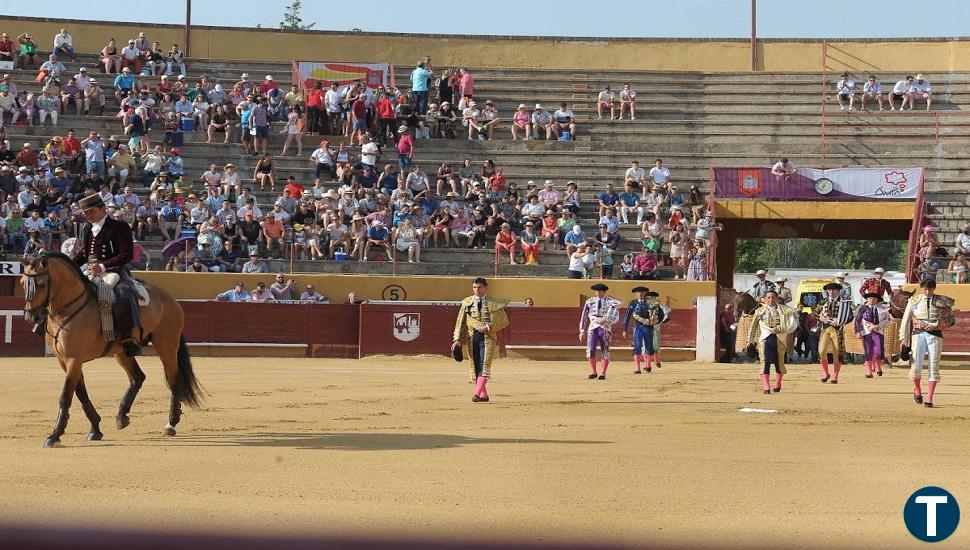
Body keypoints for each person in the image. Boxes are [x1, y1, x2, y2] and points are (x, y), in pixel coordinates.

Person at [70, 194, 142, 356]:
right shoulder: (87, 228)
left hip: (115, 271)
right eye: (85, 213)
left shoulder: (119, 227)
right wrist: (70, 265)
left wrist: (102, 266)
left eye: (91, 212)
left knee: (124, 295)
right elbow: (85, 252)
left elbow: (126, 255)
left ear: (103, 209)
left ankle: (129, 339)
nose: (88, 216)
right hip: (91, 270)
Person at [452, 277, 510, 403]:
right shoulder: (466, 302)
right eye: (474, 287)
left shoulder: (494, 302)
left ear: (485, 288)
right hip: (472, 338)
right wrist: (456, 339)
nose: (476, 290)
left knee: (485, 366)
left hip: (488, 338)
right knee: (475, 367)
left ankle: (477, 394)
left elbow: (504, 321)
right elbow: (460, 322)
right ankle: (484, 395)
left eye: (479, 287)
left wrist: (489, 327)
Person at [900, 279, 954, 407]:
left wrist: (936, 324)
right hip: (918, 334)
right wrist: (903, 339)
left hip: (935, 335)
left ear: (934, 288)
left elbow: (950, 320)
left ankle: (929, 398)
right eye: (925, 289)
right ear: (921, 288)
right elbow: (905, 320)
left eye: (930, 289)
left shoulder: (942, 300)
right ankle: (917, 389)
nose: (927, 291)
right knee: (916, 366)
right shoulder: (914, 300)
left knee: (934, 366)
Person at [747, 289, 798, 394]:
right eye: (768, 297)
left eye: (773, 297)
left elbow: (792, 323)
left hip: (779, 338)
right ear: (765, 299)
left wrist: (782, 328)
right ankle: (766, 387)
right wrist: (749, 339)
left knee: (779, 363)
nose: (771, 299)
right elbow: (753, 326)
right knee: (764, 362)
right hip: (765, 339)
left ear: (777, 299)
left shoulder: (785, 310)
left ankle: (778, 383)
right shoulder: (759, 311)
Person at [579, 283, 621, 380]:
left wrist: (607, 319)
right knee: (590, 349)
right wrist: (582, 330)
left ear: (604, 292)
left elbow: (619, 304)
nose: (598, 292)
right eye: (596, 291)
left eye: (600, 291)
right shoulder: (590, 302)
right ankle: (593, 371)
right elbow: (584, 316)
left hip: (605, 327)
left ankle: (603, 373)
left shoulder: (610, 301)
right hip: (593, 327)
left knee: (605, 350)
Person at [815, 282, 854, 384]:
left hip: (838, 330)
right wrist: (821, 318)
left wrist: (840, 321)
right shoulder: (823, 301)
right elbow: (814, 312)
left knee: (838, 352)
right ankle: (826, 373)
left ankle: (835, 375)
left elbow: (850, 317)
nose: (831, 292)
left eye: (834, 290)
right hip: (826, 329)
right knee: (821, 351)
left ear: (838, 291)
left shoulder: (843, 303)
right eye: (830, 290)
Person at [622, 286, 665, 374]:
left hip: (649, 327)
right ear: (636, 293)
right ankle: (637, 368)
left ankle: (648, 365)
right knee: (637, 346)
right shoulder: (633, 303)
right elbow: (627, 316)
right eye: (638, 292)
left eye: (642, 292)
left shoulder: (651, 302)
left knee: (649, 346)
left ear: (645, 293)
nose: (640, 294)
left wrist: (655, 322)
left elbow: (661, 314)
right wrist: (624, 329)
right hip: (638, 327)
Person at [855, 292, 891, 378]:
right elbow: (857, 321)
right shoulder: (862, 309)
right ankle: (869, 371)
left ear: (877, 300)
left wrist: (878, 325)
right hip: (866, 332)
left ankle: (878, 366)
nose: (872, 300)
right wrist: (858, 331)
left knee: (879, 352)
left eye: (874, 299)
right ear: (867, 299)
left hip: (878, 332)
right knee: (868, 351)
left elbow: (888, 321)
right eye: (870, 298)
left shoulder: (882, 309)